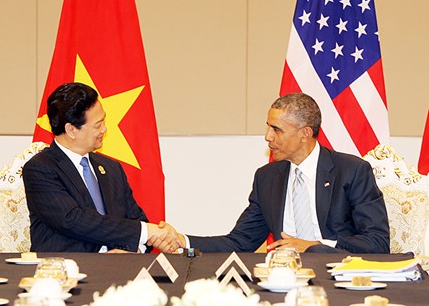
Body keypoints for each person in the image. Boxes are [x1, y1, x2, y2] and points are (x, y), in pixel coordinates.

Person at [159, 92, 390, 253]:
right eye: (268, 127)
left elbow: (377, 242)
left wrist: (314, 246)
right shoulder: (267, 178)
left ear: (305, 133)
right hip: (281, 283)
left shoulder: (351, 171)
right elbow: (240, 242)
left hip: (338, 277)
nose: (268, 137)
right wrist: (183, 241)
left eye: (276, 130)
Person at [23, 82, 179, 253]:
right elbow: (72, 220)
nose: (104, 129)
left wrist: (137, 249)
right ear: (71, 130)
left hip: (116, 272)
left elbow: (136, 220)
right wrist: (147, 231)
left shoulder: (111, 168)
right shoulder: (41, 168)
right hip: (66, 272)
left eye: (103, 121)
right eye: (98, 125)